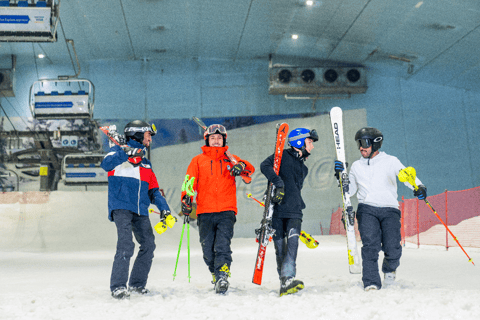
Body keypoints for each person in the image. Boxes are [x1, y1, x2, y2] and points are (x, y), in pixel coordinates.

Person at [334, 127, 427, 291]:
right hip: (367, 209)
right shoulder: (356, 166)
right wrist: (340, 177)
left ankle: (390, 270)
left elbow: (405, 175)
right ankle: (370, 281)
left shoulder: (391, 161)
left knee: (393, 246)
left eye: (364, 143)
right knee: (370, 245)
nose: (361, 147)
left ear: (375, 144)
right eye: (359, 144)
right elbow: (349, 191)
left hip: (389, 209)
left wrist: (418, 186)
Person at [101, 120, 172, 300]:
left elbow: (154, 191)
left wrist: (165, 209)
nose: (150, 140)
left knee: (148, 244)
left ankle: (136, 284)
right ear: (139, 134)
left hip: (140, 210)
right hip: (121, 207)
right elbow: (106, 164)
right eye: (149, 135)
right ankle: (118, 286)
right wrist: (126, 153)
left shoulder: (146, 164)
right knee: (126, 244)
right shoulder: (117, 152)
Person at [181, 124, 255, 294]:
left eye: (219, 139)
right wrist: (186, 200)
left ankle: (222, 276)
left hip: (226, 210)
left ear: (224, 141)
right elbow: (189, 182)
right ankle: (215, 274)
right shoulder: (198, 160)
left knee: (222, 245)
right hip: (204, 211)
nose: (216, 141)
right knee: (207, 249)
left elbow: (249, 172)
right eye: (213, 138)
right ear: (207, 140)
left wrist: (241, 166)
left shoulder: (231, 158)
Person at [260, 127, 318, 297]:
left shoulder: (304, 168)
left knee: (292, 247)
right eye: (309, 142)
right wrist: (278, 183)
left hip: (294, 211)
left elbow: (295, 189)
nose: (312, 146)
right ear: (299, 142)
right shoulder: (282, 156)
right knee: (280, 249)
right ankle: (284, 281)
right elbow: (265, 165)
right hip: (276, 211)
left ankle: (288, 279)